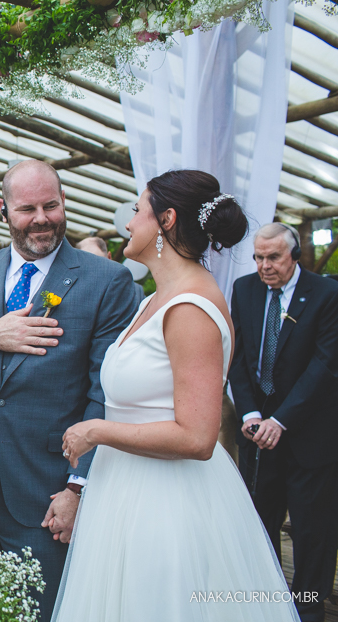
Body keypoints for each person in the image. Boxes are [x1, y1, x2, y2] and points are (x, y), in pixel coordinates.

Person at [53, 170, 299, 622]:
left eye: (136, 210)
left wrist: (98, 429)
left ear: (165, 219)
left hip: (165, 505)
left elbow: (198, 437)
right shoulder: (156, 297)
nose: (127, 223)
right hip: (122, 491)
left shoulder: (190, 308)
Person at [0, 159, 140, 622]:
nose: (41, 218)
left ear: (64, 203)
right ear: (3, 211)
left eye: (51, 205)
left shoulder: (106, 281)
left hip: (46, 496)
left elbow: (105, 394)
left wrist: (79, 487)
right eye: (27, 208)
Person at [229, 223, 338, 622]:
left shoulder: (327, 294)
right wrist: (251, 413)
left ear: (294, 255)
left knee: (312, 531)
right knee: (260, 522)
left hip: (310, 434)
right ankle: (268, 604)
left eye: (272, 257)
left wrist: (282, 419)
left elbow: (325, 366)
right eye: (258, 257)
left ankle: (309, 610)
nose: (264, 265)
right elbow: (236, 358)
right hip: (257, 434)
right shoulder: (244, 290)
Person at [77, 235, 145, 300]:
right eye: (86, 266)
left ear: (109, 257)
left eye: (99, 264)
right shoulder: (73, 293)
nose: (94, 271)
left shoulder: (135, 292)